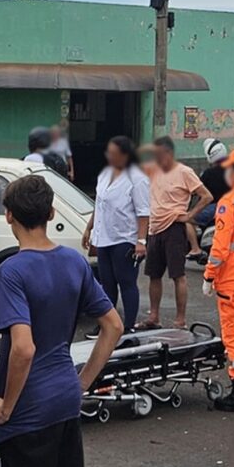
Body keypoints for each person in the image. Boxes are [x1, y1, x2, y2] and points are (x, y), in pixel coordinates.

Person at [0, 175, 123, 467]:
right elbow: (112, 325)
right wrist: (82, 382)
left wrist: (5, 406)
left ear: (8, 215)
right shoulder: (73, 261)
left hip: (29, 408)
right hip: (64, 396)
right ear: (50, 214)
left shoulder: (11, 271)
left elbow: (23, 348)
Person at [139, 136, 213, 329]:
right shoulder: (153, 171)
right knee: (154, 274)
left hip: (174, 228)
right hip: (155, 228)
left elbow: (206, 196)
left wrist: (189, 215)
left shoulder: (184, 172)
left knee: (177, 275)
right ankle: (153, 316)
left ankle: (180, 319)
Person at [82, 136, 149, 338]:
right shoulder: (105, 174)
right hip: (104, 238)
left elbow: (144, 212)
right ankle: (107, 325)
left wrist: (141, 241)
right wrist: (89, 228)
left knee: (126, 282)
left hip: (124, 238)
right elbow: (99, 205)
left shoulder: (137, 178)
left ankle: (128, 327)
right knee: (106, 284)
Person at [203, 149, 234, 412]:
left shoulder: (229, 202)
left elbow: (220, 248)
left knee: (233, 336)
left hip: (231, 282)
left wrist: (208, 276)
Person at [186, 138, 230, 260]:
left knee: (186, 219)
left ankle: (195, 249)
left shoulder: (208, 173)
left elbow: (196, 189)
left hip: (214, 208)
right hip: (231, 207)